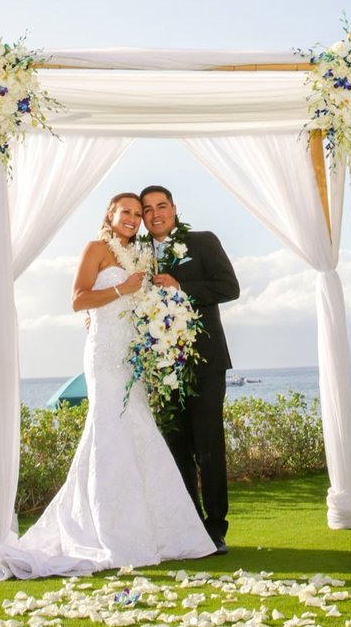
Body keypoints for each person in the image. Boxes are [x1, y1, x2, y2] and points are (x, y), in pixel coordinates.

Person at [14, 193, 216, 573]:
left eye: (138, 215)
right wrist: (122, 289)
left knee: (138, 429)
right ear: (110, 213)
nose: (134, 219)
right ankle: (109, 531)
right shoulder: (95, 248)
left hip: (131, 357)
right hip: (104, 354)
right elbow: (78, 299)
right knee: (110, 431)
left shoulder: (139, 254)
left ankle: (157, 531)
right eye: (127, 212)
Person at [141, 184, 240, 555]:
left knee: (209, 447)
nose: (154, 214)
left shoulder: (203, 242)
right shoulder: (135, 254)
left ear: (174, 208)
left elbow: (230, 287)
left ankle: (216, 528)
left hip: (206, 362)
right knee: (176, 449)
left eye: (161, 206)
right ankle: (189, 525)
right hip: (160, 368)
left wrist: (182, 285)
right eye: (147, 209)